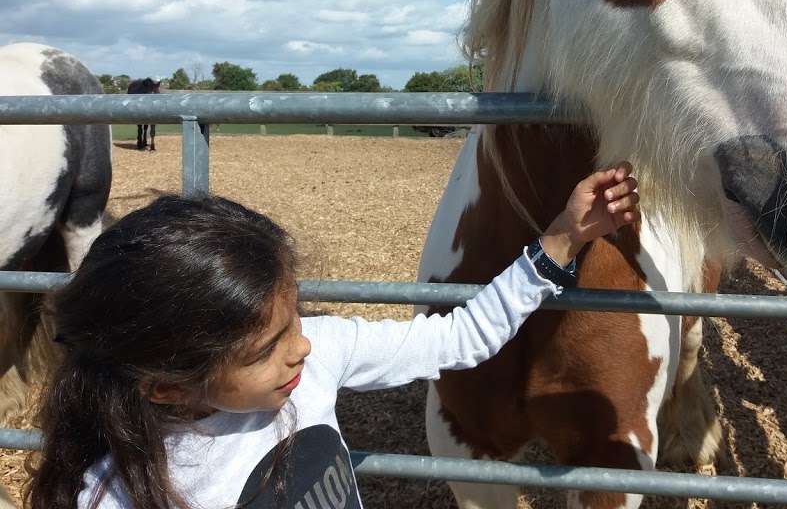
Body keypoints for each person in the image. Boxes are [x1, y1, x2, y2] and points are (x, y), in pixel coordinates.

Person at [27, 162, 640, 509]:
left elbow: (458, 338)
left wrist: (561, 239)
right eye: (266, 349)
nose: (301, 345)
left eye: (293, 316)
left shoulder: (317, 357)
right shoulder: (120, 494)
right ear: (167, 388)